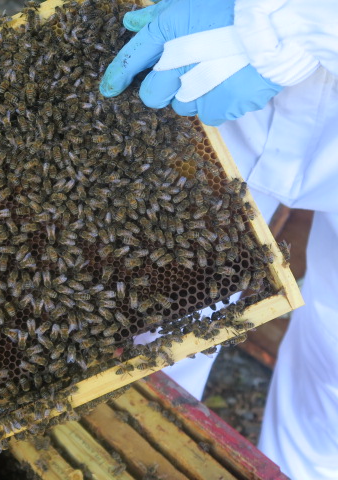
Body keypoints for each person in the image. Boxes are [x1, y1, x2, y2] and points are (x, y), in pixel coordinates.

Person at [99, 0, 338, 478]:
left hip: (243, 42)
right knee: (155, 314)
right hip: (207, 53)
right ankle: (126, 450)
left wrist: (292, 24)